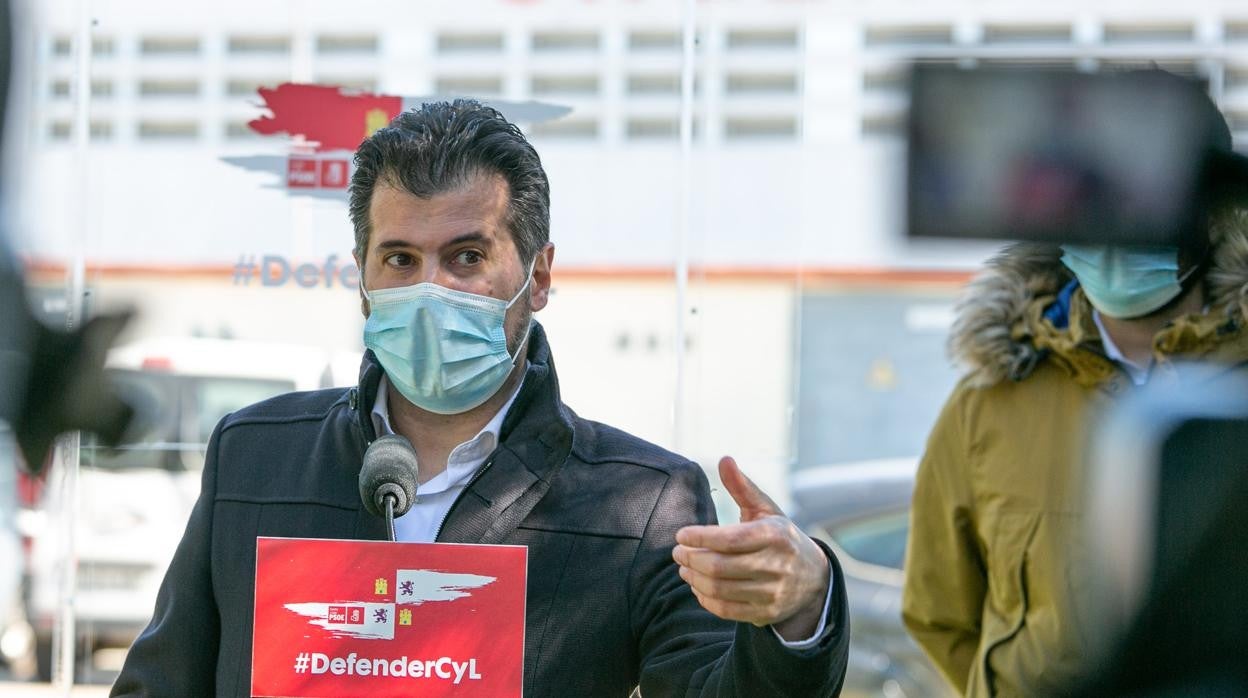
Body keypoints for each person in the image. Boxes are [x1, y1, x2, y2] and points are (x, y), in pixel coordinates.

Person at [112, 100, 849, 696]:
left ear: (541, 275)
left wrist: (799, 610)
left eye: (467, 257)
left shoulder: (644, 501)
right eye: (400, 258)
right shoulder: (255, 457)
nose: (431, 288)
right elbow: (160, 682)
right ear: (363, 279)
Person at [901, 78, 1248, 696]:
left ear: (1207, 209)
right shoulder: (987, 403)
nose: (1117, 231)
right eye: (1094, 202)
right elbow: (940, 615)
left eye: (1142, 200)